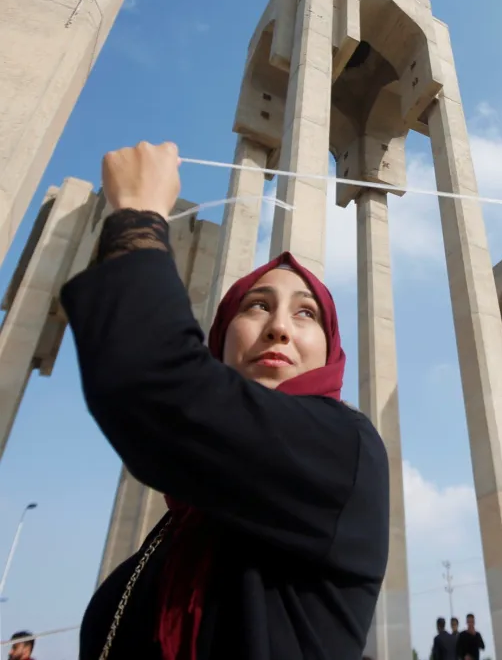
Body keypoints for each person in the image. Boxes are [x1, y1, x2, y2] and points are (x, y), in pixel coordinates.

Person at [63, 141, 390, 659]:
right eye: (257, 306)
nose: (279, 327)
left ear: (330, 351)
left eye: (306, 313)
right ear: (219, 337)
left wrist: (138, 215)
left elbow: (155, 386)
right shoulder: (168, 538)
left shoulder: (344, 451)